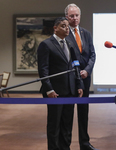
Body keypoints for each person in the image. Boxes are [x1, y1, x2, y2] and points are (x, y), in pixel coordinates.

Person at [37, 17, 84, 150]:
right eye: (63, 26)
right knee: (54, 125)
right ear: (55, 28)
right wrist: (49, 89)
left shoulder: (70, 44)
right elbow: (43, 69)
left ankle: (65, 148)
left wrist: (79, 84)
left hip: (70, 91)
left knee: (67, 124)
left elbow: (76, 66)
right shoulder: (46, 45)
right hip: (55, 93)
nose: (67, 28)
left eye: (68, 26)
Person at [64, 3, 97, 150]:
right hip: (71, 79)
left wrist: (87, 71)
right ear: (67, 17)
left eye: (76, 15)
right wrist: (78, 72)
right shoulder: (65, 35)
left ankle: (84, 143)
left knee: (84, 112)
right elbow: (67, 59)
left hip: (85, 78)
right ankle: (66, 144)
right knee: (68, 113)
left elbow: (92, 55)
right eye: (71, 16)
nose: (74, 18)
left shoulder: (86, 33)